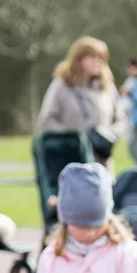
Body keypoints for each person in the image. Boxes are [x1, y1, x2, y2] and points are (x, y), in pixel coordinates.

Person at [37, 37, 120, 176]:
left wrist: (108, 136)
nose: (98, 62)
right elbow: (47, 120)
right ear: (78, 59)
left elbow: (121, 119)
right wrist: (74, 139)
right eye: (92, 57)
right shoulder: (62, 85)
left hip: (101, 162)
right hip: (70, 162)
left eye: (101, 58)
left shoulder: (107, 87)